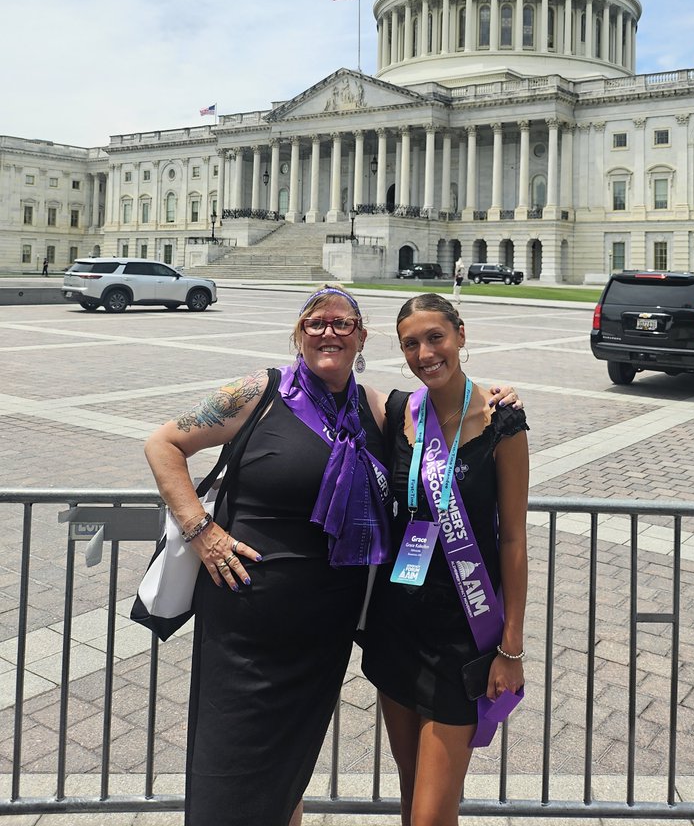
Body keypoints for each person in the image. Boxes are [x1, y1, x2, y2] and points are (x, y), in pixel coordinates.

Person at [143, 284, 521, 826]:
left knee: (289, 768)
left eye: (343, 324)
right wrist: (201, 530)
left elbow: (442, 415)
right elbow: (163, 444)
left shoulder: (374, 409)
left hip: (325, 633)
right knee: (232, 766)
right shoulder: (259, 390)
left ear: (361, 338)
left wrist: (497, 400)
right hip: (248, 624)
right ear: (298, 335)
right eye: (317, 322)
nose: (329, 332)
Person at [362, 293, 529, 826]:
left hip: (463, 634)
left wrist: (512, 649)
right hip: (398, 625)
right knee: (413, 792)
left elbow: (514, 541)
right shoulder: (396, 414)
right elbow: (324, 381)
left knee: (432, 812)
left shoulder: (502, 420)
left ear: (461, 334)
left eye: (436, 337)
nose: (425, 353)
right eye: (411, 343)